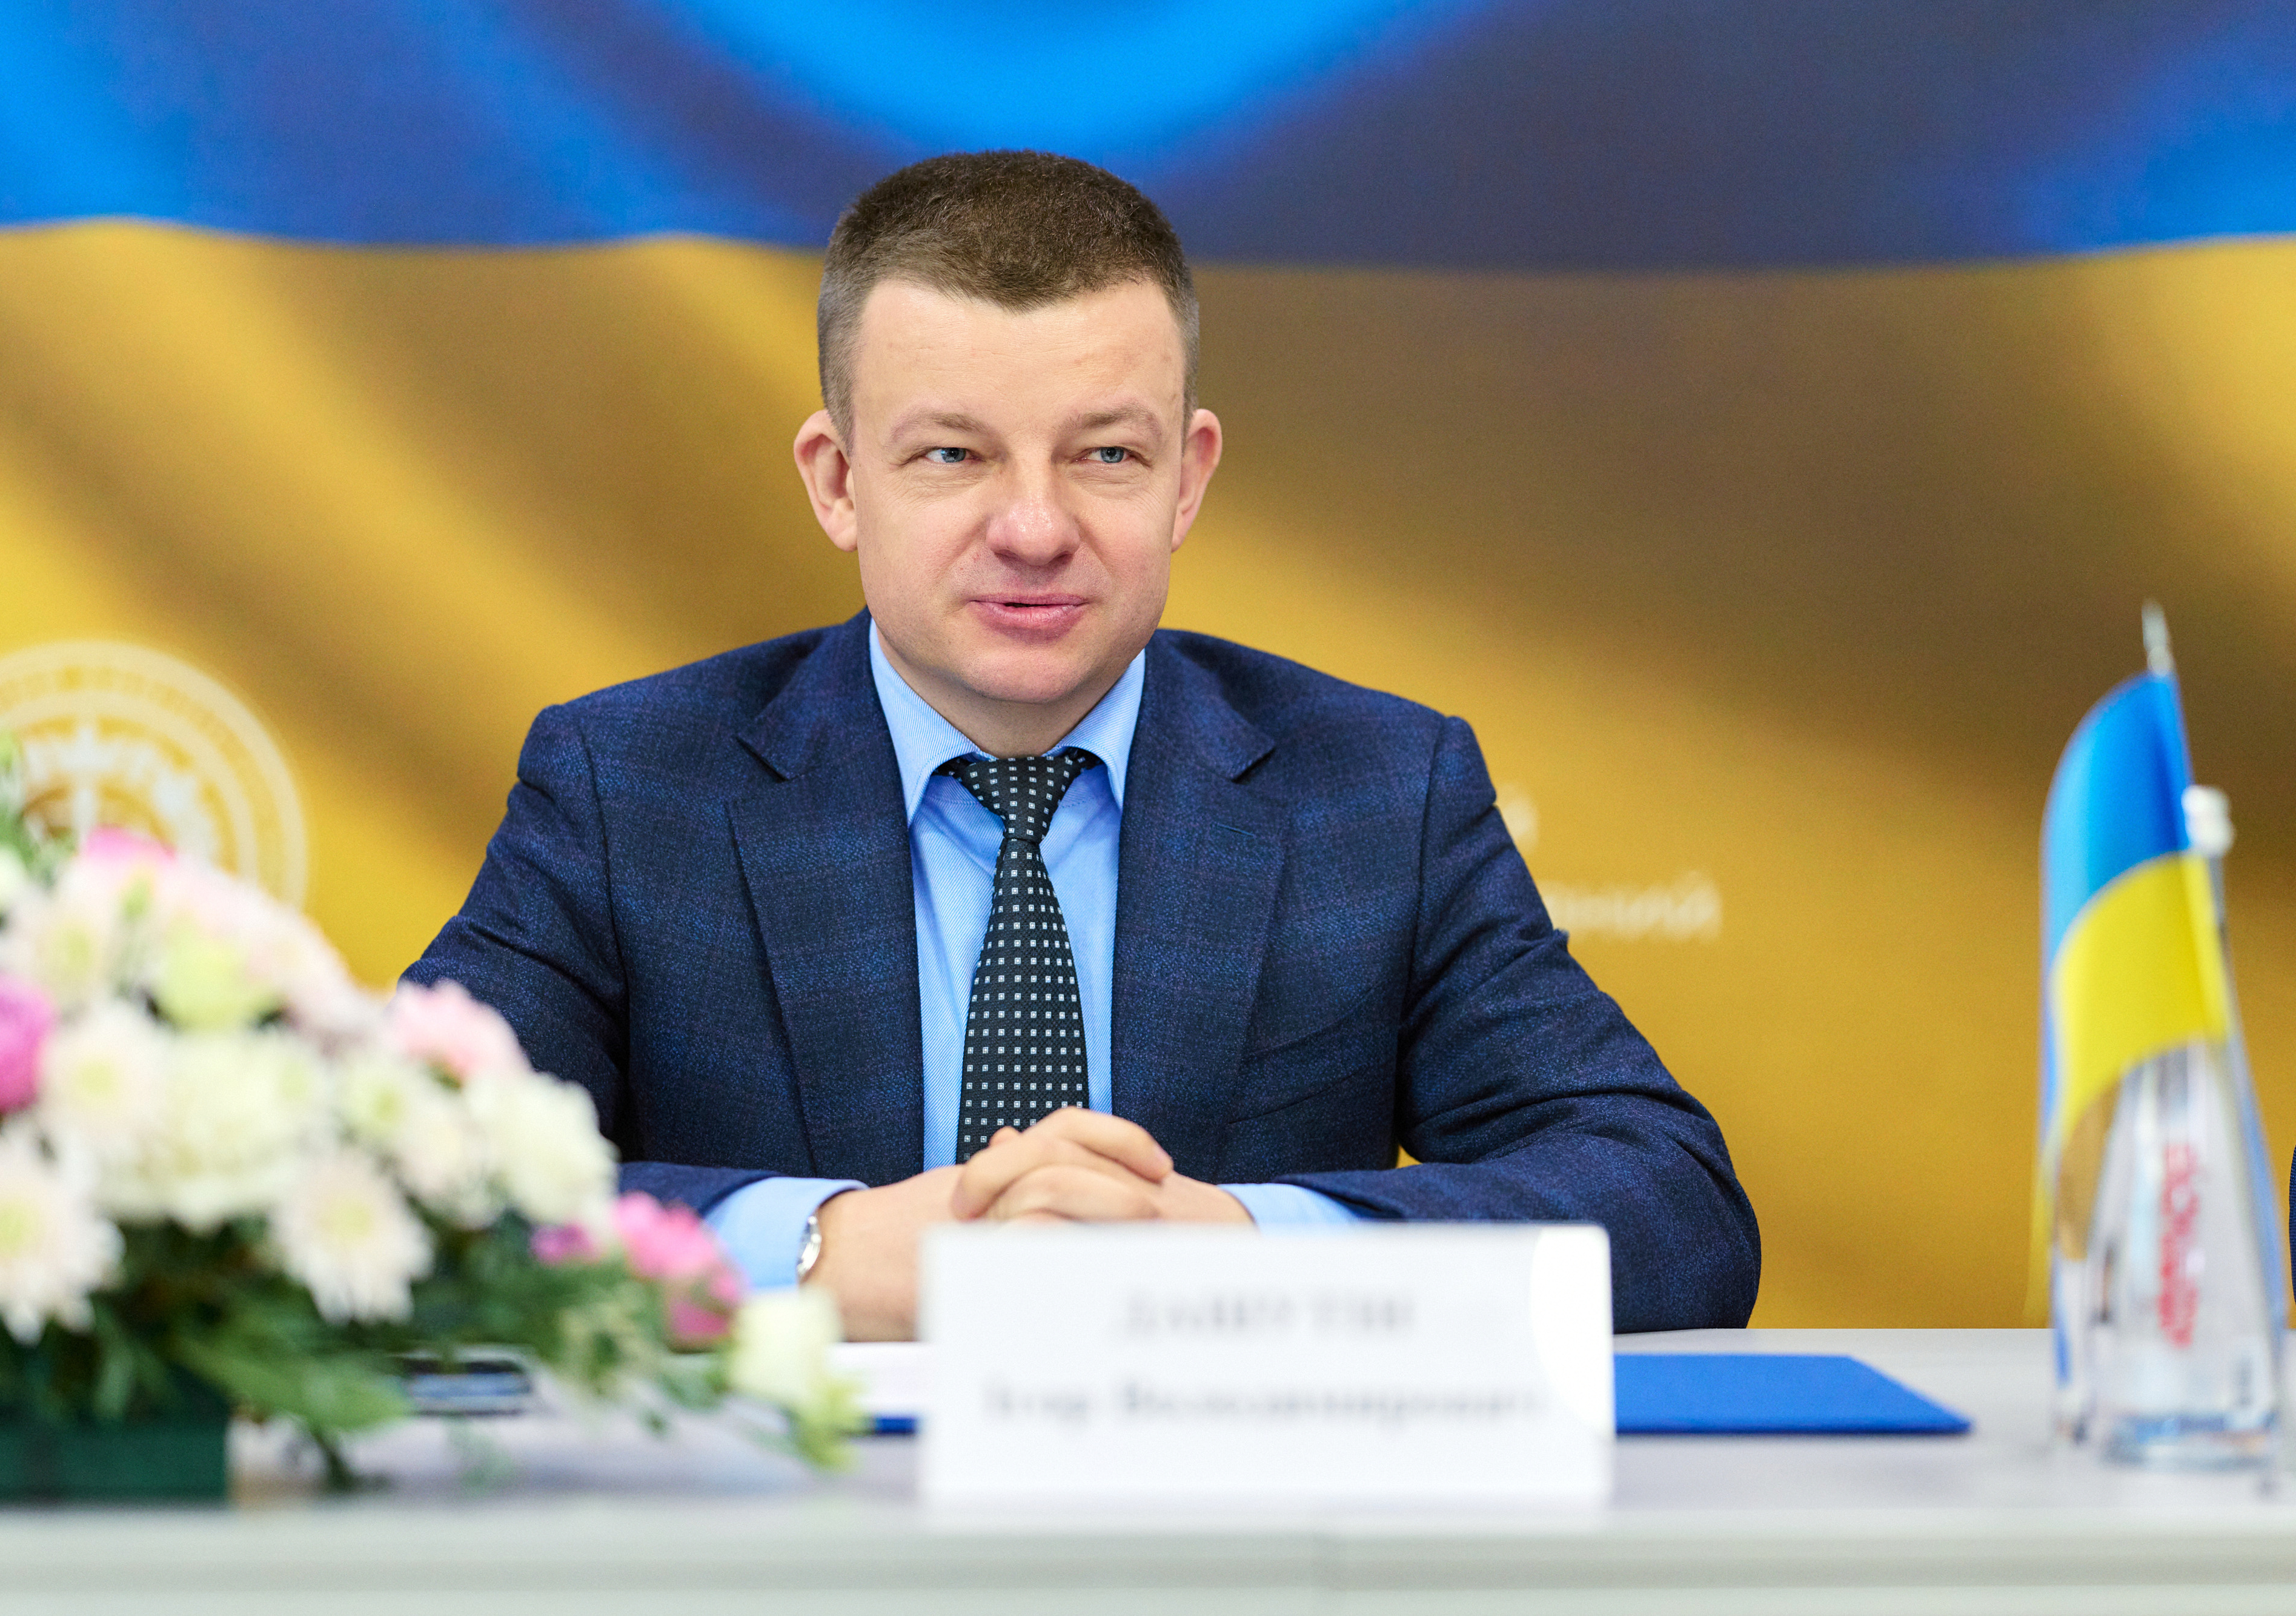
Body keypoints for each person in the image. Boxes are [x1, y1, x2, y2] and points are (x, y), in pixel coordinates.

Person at [409, 151, 1759, 1340]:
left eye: (1105, 455)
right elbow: (390, 1176)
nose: (1034, 529)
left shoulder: (1380, 791)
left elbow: (1671, 1202)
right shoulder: (628, 786)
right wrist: (810, 1253)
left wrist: (1247, 1252)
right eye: (952, 456)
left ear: (1188, 477)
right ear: (838, 480)